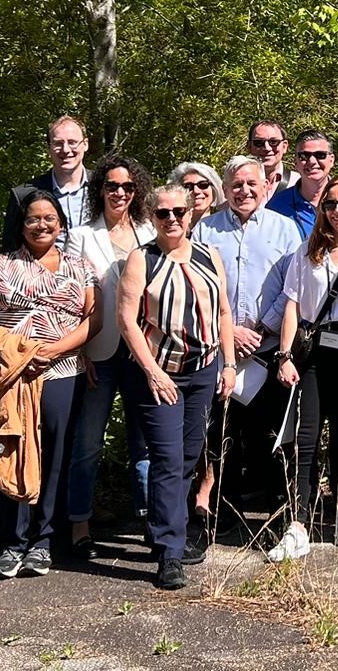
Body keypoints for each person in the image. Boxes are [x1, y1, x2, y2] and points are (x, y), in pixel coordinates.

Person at [117, 185, 239, 589]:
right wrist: (152, 371)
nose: (172, 220)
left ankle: (159, 528)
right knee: (167, 458)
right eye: (163, 213)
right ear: (151, 217)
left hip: (203, 370)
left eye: (179, 212)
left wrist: (229, 363)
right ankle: (171, 552)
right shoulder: (142, 259)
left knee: (188, 456)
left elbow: (223, 311)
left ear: (191, 215)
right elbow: (127, 320)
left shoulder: (209, 255)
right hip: (160, 374)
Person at [0, 192, 96, 578]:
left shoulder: (80, 266)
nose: (41, 225)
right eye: (33, 219)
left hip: (63, 371)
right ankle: (12, 541)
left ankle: (43, 541)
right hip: (12, 372)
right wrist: (18, 350)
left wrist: (57, 348)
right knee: (10, 448)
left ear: (61, 223)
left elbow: (92, 319)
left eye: (49, 218)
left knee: (54, 455)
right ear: (21, 224)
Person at [190, 155, 301, 532]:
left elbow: (293, 289)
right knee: (222, 437)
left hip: (269, 350)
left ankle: (275, 517)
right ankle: (224, 514)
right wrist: (231, 334)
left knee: (270, 438)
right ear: (225, 189)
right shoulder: (205, 231)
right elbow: (199, 290)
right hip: (223, 353)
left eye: (252, 183)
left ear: (266, 186)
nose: (244, 191)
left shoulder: (285, 230)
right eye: (236, 184)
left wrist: (263, 329)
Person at [272, 176, 338, 559]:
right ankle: (298, 523)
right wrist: (284, 356)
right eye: (331, 204)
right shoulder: (307, 251)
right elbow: (292, 305)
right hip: (315, 350)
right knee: (305, 436)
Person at [64, 153, 156, 555]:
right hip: (98, 351)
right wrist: (79, 349)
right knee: (87, 442)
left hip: (143, 351)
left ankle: (153, 521)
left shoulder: (151, 230)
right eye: (111, 186)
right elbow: (72, 298)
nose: (119, 193)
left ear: (137, 191)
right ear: (99, 189)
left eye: (127, 186)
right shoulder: (82, 236)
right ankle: (78, 524)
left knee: (147, 444)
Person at [1, 116, 92, 250]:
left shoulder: (107, 187)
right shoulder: (23, 195)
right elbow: (11, 249)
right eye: (58, 143)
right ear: (48, 148)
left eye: (72, 142)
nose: (65, 150)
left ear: (85, 144)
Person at [267, 130, 336, 239]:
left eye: (320, 155)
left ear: (331, 160)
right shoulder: (277, 206)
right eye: (304, 156)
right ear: (296, 162)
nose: (312, 161)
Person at [249, 120, 298, 203]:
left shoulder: (298, 183)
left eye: (274, 142)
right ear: (249, 147)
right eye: (259, 142)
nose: (267, 148)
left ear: (284, 146)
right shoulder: (238, 185)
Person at [170, 160, 225, 229]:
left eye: (203, 184)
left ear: (214, 189)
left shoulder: (226, 228)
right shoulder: (170, 229)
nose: (196, 191)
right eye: (188, 186)